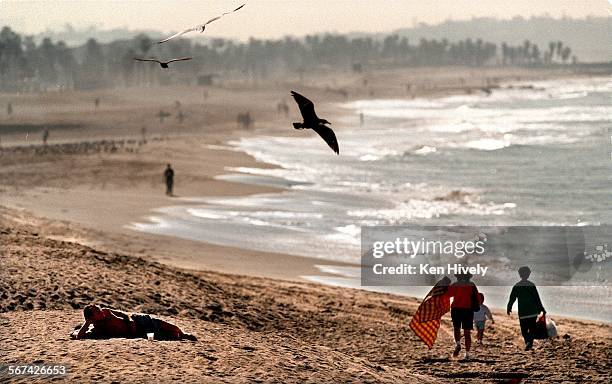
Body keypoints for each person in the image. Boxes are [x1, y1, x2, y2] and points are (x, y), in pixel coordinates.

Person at [70, 304, 197, 341]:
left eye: (99, 308)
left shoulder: (107, 312)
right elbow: (77, 336)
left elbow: (124, 314)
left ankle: (184, 334)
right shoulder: (96, 329)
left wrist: (130, 321)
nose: (101, 311)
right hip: (138, 333)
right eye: (97, 311)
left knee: (169, 327)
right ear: (92, 318)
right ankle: (179, 336)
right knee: (171, 336)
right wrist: (86, 324)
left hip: (138, 320)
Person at [507, 266, 546, 351]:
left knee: (524, 330)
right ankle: (530, 343)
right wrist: (541, 308)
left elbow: (512, 298)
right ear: (528, 274)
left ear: (519, 274)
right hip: (533, 312)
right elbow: (537, 298)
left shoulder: (517, 286)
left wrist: (509, 307)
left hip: (523, 313)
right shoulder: (531, 285)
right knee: (532, 328)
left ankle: (527, 342)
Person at [446, 273, 480, 359]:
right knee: (467, 332)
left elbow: (448, 295)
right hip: (468, 310)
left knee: (456, 328)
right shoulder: (472, 285)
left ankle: (458, 344)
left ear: (458, 277)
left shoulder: (455, 285)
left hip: (456, 309)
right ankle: (467, 354)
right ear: (468, 277)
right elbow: (477, 297)